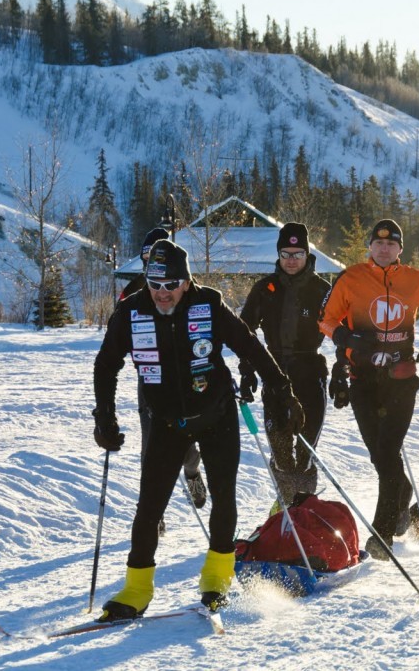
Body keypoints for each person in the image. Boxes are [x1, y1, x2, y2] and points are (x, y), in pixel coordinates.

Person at [92, 239, 305, 619]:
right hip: (166, 422)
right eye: (154, 284)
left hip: (216, 415)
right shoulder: (131, 312)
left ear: (187, 282)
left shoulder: (209, 305)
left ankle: (216, 580)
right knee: (149, 506)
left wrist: (283, 391)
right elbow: (106, 364)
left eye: (171, 285)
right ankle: (136, 589)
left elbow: (250, 347)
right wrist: (104, 416)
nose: (162, 293)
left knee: (223, 497)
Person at [319, 219, 419, 561]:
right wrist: (345, 337)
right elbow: (326, 319)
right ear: (370, 247)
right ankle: (402, 494)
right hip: (362, 380)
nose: (384, 249)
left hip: (401, 379)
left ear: (399, 249)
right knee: (380, 456)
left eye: (391, 244)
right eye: (378, 244)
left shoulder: (416, 279)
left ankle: (382, 534)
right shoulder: (351, 278)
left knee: (388, 452)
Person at [238, 222, 333, 508]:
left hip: (310, 373)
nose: (291, 260)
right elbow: (243, 332)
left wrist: (344, 370)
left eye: (297, 254)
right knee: (281, 452)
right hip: (274, 373)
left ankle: (304, 510)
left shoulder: (322, 290)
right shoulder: (265, 288)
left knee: (305, 453)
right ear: (278, 255)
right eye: (286, 254)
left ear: (307, 254)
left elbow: (343, 331)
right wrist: (247, 370)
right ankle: (286, 508)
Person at [120, 228, 205, 529]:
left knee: (186, 443)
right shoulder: (133, 291)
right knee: (151, 447)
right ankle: (154, 511)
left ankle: (192, 473)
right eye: (145, 257)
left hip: (184, 379)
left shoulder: (182, 287)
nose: (150, 263)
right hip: (149, 380)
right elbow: (118, 329)